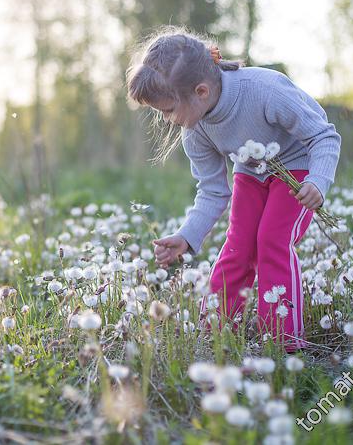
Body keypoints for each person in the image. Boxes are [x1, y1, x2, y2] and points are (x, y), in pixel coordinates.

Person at [125, 26, 341, 352]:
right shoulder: (195, 131)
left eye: (168, 109)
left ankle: (283, 341)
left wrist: (318, 181)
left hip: (297, 170)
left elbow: (323, 136)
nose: (167, 119)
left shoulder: (264, 90)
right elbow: (212, 191)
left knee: (271, 240)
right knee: (238, 246)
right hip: (251, 172)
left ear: (200, 91)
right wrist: (186, 236)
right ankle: (216, 334)